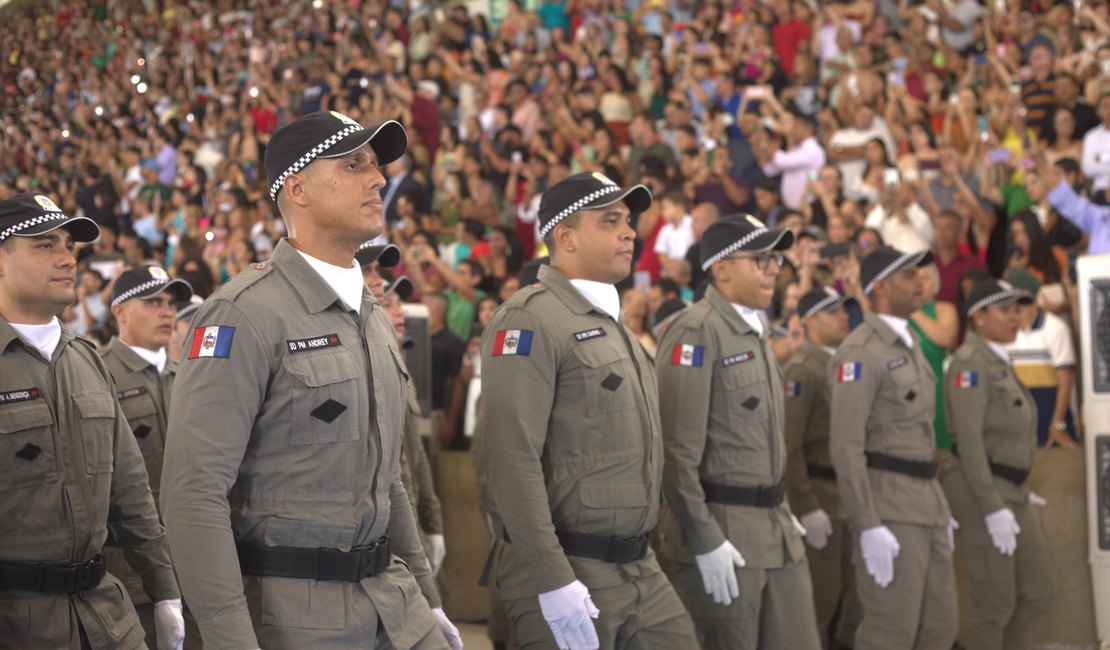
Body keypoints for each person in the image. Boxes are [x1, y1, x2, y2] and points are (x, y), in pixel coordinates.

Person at [159, 111, 461, 649]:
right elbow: (194, 494)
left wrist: (427, 596)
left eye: (375, 164)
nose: (378, 178)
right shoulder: (243, 314)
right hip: (294, 617)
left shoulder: (371, 314)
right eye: (353, 164)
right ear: (296, 188)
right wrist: (228, 638)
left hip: (393, 603)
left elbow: (387, 475)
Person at [478, 172, 697, 649]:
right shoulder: (530, 317)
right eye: (610, 220)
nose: (629, 231)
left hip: (639, 565)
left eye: (629, 220)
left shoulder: (612, 325)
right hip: (570, 566)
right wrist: (553, 578)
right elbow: (510, 460)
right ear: (566, 236)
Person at [0, 192, 184, 649]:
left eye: (68, 246)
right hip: (20, 626)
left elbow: (130, 489)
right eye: (44, 245)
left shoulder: (87, 361)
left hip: (107, 617)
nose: (67, 258)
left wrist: (164, 589)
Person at [655, 214, 820, 650]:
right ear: (722, 267)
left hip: (775, 527)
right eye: (760, 258)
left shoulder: (754, 330)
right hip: (723, 531)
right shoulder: (696, 330)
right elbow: (674, 454)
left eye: (776, 259)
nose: (773, 268)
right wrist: (706, 539)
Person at [829, 246, 958, 650]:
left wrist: (941, 508)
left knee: (940, 627)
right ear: (880, 287)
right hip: (889, 508)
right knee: (891, 632)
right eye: (908, 275)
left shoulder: (908, 342)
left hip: (926, 502)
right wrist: (867, 523)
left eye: (920, 273)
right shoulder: (861, 350)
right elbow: (845, 446)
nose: (922, 280)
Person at [941, 280, 1055, 650]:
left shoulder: (997, 360)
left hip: (1011, 490)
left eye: (1017, 309)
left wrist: (1018, 483)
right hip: (981, 491)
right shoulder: (970, 363)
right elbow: (970, 442)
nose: (1014, 317)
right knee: (996, 603)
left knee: (1038, 590)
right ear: (978, 317)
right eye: (1004, 310)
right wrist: (991, 507)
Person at [100, 263, 195, 647]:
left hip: (194, 565)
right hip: (133, 575)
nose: (167, 311)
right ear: (120, 311)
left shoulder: (190, 374)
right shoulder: (100, 375)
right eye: (152, 301)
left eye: (171, 303)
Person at [358, 242, 446, 575]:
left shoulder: (393, 361)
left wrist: (430, 520)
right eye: (368, 271)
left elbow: (413, 457)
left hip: (405, 516)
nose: (378, 282)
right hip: (378, 528)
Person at [783, 287, 860, 650]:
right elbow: (789, 445)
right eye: (831, 311)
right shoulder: (803, 369)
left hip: (848, 498)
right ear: (809, 321)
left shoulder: (843, 364)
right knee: (821, 599)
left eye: (843, 309)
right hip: (820, 495)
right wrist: (806, 505)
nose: (842, 316)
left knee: (854, 596)